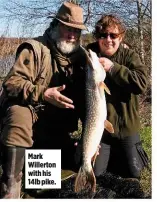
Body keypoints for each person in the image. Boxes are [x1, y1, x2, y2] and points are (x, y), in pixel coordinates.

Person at [0, 1, 89, 198]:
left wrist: (89, 138)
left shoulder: (82, 58)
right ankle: (10, 187)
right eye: (68, 28)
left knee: (42, 187)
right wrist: (43, 93)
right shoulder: (35, 48)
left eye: (77, 31)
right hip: (29, 123)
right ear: (57, 26)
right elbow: (11, 83)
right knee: (18, 112)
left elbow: (87, 100)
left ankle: (36, 180)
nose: (72, 35)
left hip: (56, 128)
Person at [87, 15, 149, 180]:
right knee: (96, 174)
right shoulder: (90, 56)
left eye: (113, 35)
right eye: (103, 35)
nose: (108, 39)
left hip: (127, 128)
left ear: (120, 37)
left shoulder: (129, 56)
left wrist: (114, 68)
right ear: (97, 37)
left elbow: (142, 83)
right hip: (102, 132)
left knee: (135, 174)